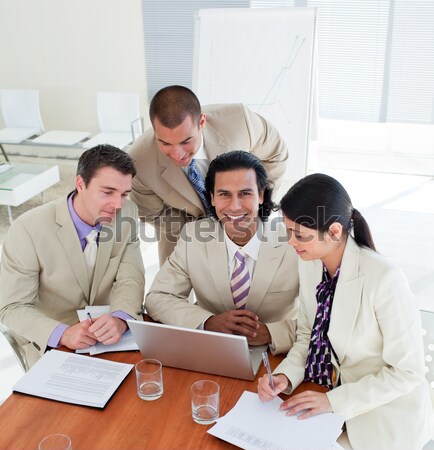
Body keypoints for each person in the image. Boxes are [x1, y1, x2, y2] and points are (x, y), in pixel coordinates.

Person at [257, 173, 433, 449]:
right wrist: (285, 376)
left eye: (299, 234)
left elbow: (407, 372)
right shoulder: (309, 260)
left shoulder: (385, 279)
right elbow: (308, 334)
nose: (291, 242)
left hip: (381, 417)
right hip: (326, 396)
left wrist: (333, 401)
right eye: (288, 231)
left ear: (335, 232)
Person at [0, 144, 145, 367]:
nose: (117, 204)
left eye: (124, 194)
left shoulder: (128, 212)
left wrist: (121, 317)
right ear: (80, 184)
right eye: (107, 192)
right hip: (53, 342)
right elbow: (12, 307)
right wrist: (62, 333)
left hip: (110, 337)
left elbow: (130, 278)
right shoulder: (27, 229)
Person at [146, 151, 298, 354]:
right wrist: (208, 322)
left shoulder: (294, 240)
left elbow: (323, 318)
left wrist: (271, 333)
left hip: (277, 355)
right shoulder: (193, 237)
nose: (235, 206)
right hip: (213, 351)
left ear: (261, 195)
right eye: (224, 194)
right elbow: (158, 297)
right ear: (212, 198)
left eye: (245, 193)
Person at [129, 85, 288, 266]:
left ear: (202, 123)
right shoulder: (139, 163)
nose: (177, 154)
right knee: (174, 288)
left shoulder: (240, 122)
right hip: (182, 232)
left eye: (186, 141)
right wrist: (206, 233)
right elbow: (154, 214)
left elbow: (276, 155)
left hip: (245, 222)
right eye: (165, 143)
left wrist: (256, 206)